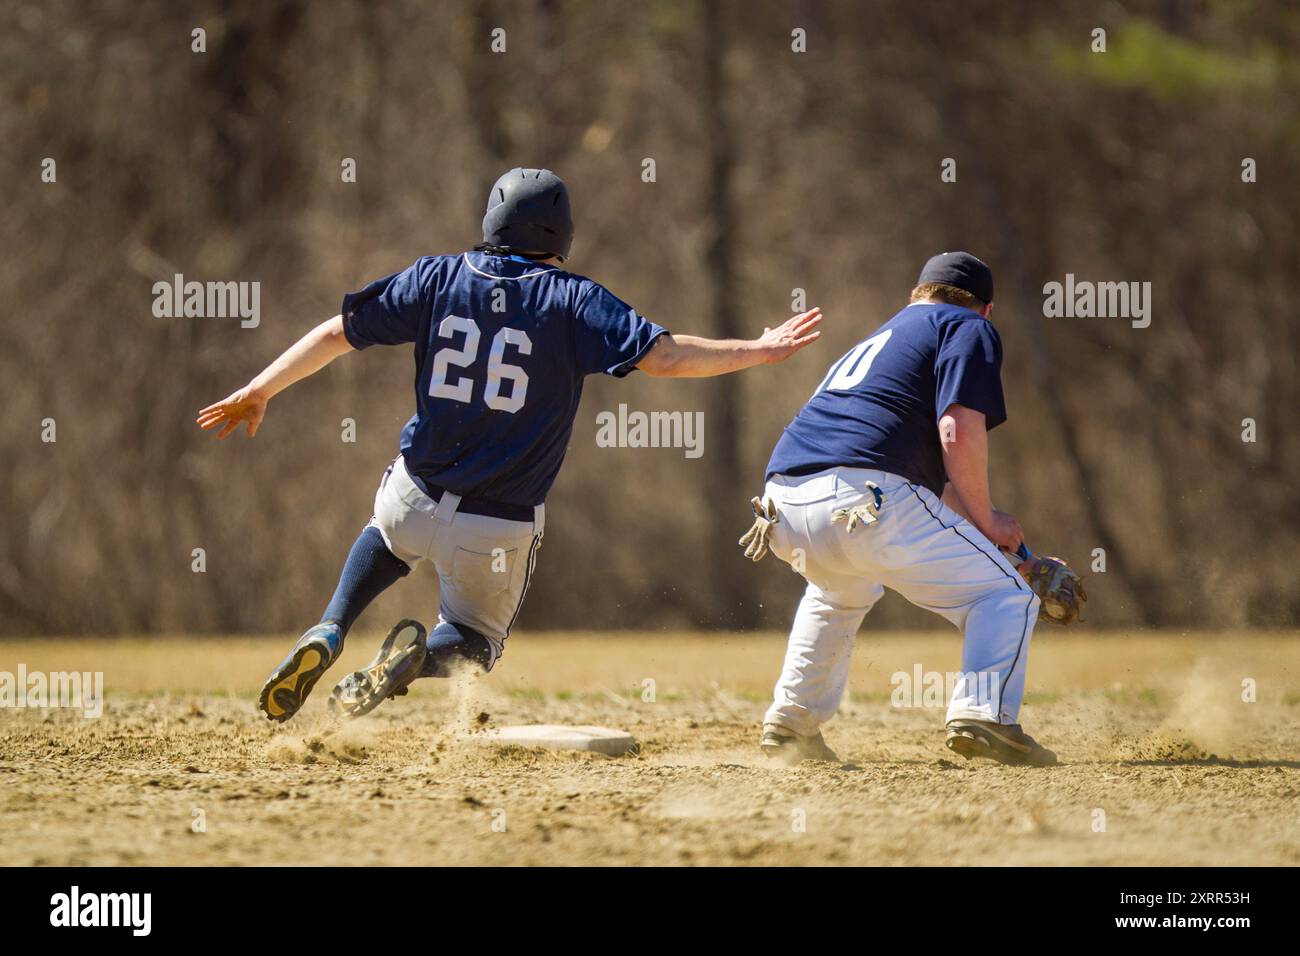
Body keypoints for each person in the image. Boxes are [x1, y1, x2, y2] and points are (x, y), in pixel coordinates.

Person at [197, 167, 823, 723]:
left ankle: (332, 626)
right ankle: (405, 669)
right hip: (496, 525)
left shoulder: (437, 277)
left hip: (414, 493)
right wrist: (760, 349)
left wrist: (260, 387)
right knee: (474, 640)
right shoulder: (574, 299)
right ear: (561, 234)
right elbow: (664, 358)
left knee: (387, 536)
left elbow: (339, 333)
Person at [744, 251, 1055, 766]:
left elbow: (931, 479)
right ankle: (985, 717)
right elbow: (956, 429)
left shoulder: (887, 335)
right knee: (1004, 596)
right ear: (988, 309)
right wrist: (990, 521)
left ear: (919, 293)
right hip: (864, 496)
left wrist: (994, 538)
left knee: (839, 589)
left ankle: (792, 725)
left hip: (782, 506)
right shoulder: (967, 325)